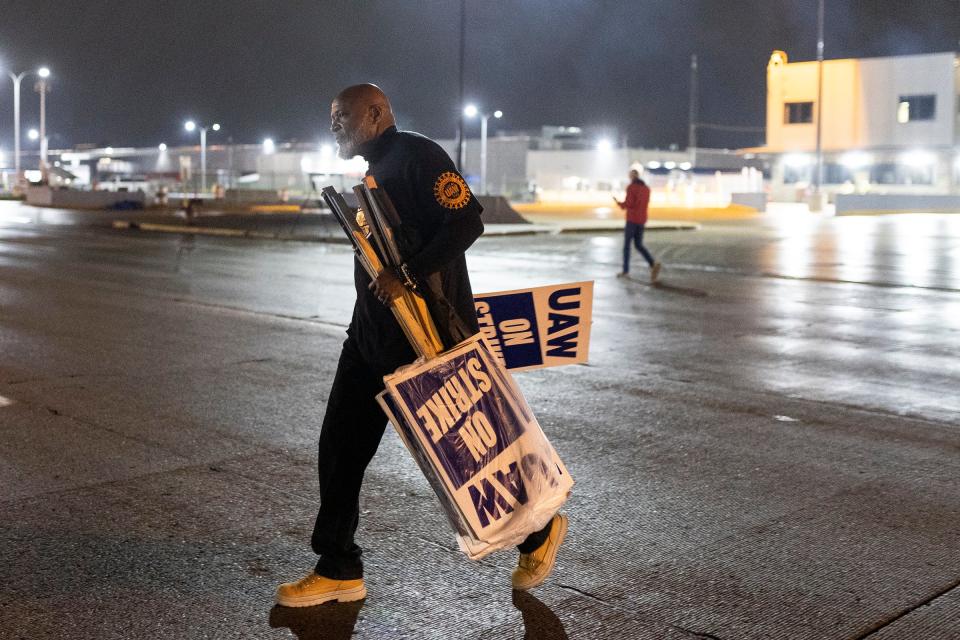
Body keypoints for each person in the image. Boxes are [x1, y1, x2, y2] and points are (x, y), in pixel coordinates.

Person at [276, 84, 567, 607]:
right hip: (368, 339)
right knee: (339, 451)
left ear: (375, 113)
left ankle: (538, 533)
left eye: (341, 116)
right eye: (331, 118)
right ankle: (338, 566)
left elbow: (466, 221)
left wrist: (406, 274)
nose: (334, 126)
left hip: (422, 341)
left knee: (459, 460)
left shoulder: (417, 155)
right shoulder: (374, 168)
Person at [613, 169, 661, 282]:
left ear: (632, 176)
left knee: (627, 246)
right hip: (642, 220)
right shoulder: (646, 188)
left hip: (632, 220)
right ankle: (652, 263)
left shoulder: (631, 187)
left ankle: (625, 271)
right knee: (638, 244)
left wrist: (619, 203)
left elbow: (629, 204)